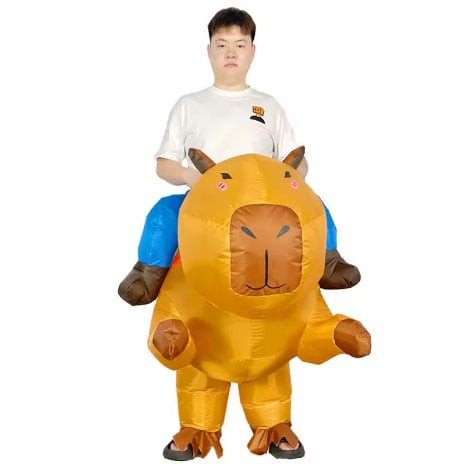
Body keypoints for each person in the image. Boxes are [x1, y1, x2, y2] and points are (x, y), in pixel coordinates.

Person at [119, 8, 361, 459]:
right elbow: (165, 164)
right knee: (164, 214)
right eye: (222, 45)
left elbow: (296, 160)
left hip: (265, 214)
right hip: (207, 209)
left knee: (319, 209)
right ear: (209, 50)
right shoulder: (190, 104)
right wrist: (193, 180)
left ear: (252, 51)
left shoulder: (267, 105)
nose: (230, 52)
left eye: (239, 45)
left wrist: (292, 183)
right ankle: (148, 272)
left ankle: (329, 261)